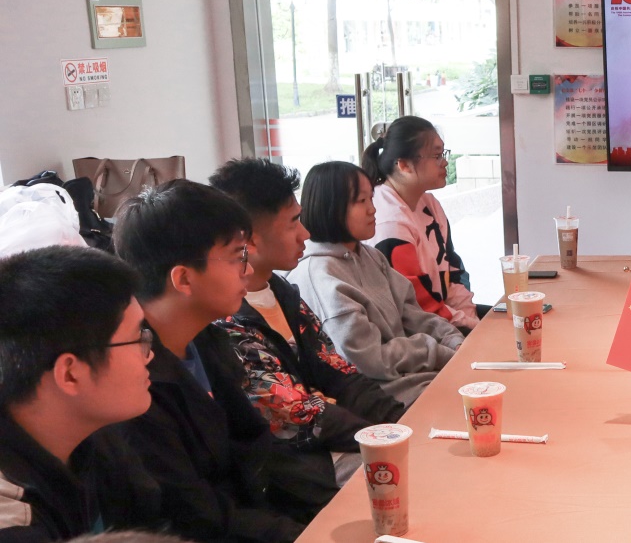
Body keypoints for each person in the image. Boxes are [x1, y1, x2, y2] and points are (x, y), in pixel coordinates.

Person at [113, 180, 321, 543]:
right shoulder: (134, 386)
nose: (247, 269)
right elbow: (196, 516)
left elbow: (256, 451)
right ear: (183, 278)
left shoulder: (206, 341)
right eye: (238, 256)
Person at [208, 159, 405, 486]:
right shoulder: (227, 321)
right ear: (250, 240)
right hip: (299, 473)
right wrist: (387, 438)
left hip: (334, 446)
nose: (305, 233)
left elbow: (340, 374)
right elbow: (302, 414)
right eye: (293, 223)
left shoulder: (282, 291)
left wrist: (402, 421)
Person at [0, 247, 160, 542]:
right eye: (138, 337)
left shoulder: (94, 439)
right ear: (70, 373)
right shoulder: (14, 525)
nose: (149, 354)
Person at [288, 161, 464, 406]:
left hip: (416, 375)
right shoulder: (320, 275)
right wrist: (437, 353)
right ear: (330, 207)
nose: (372, 209)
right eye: (361, 201)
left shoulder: (370, 255)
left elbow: (413, 315)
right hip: (384, 395)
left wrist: (454, 342)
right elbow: (368, 360)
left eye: (371, 198)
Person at [362, 116, 483, 332]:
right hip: (414, 333)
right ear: (404, 165)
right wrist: (472, 328)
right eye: (436, 156)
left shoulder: (429, 202)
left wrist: (471, 319)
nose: (444, 162)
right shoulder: (389, 221)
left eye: (443, 154)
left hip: (444, 321)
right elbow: (417, 307)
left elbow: (453, 272)